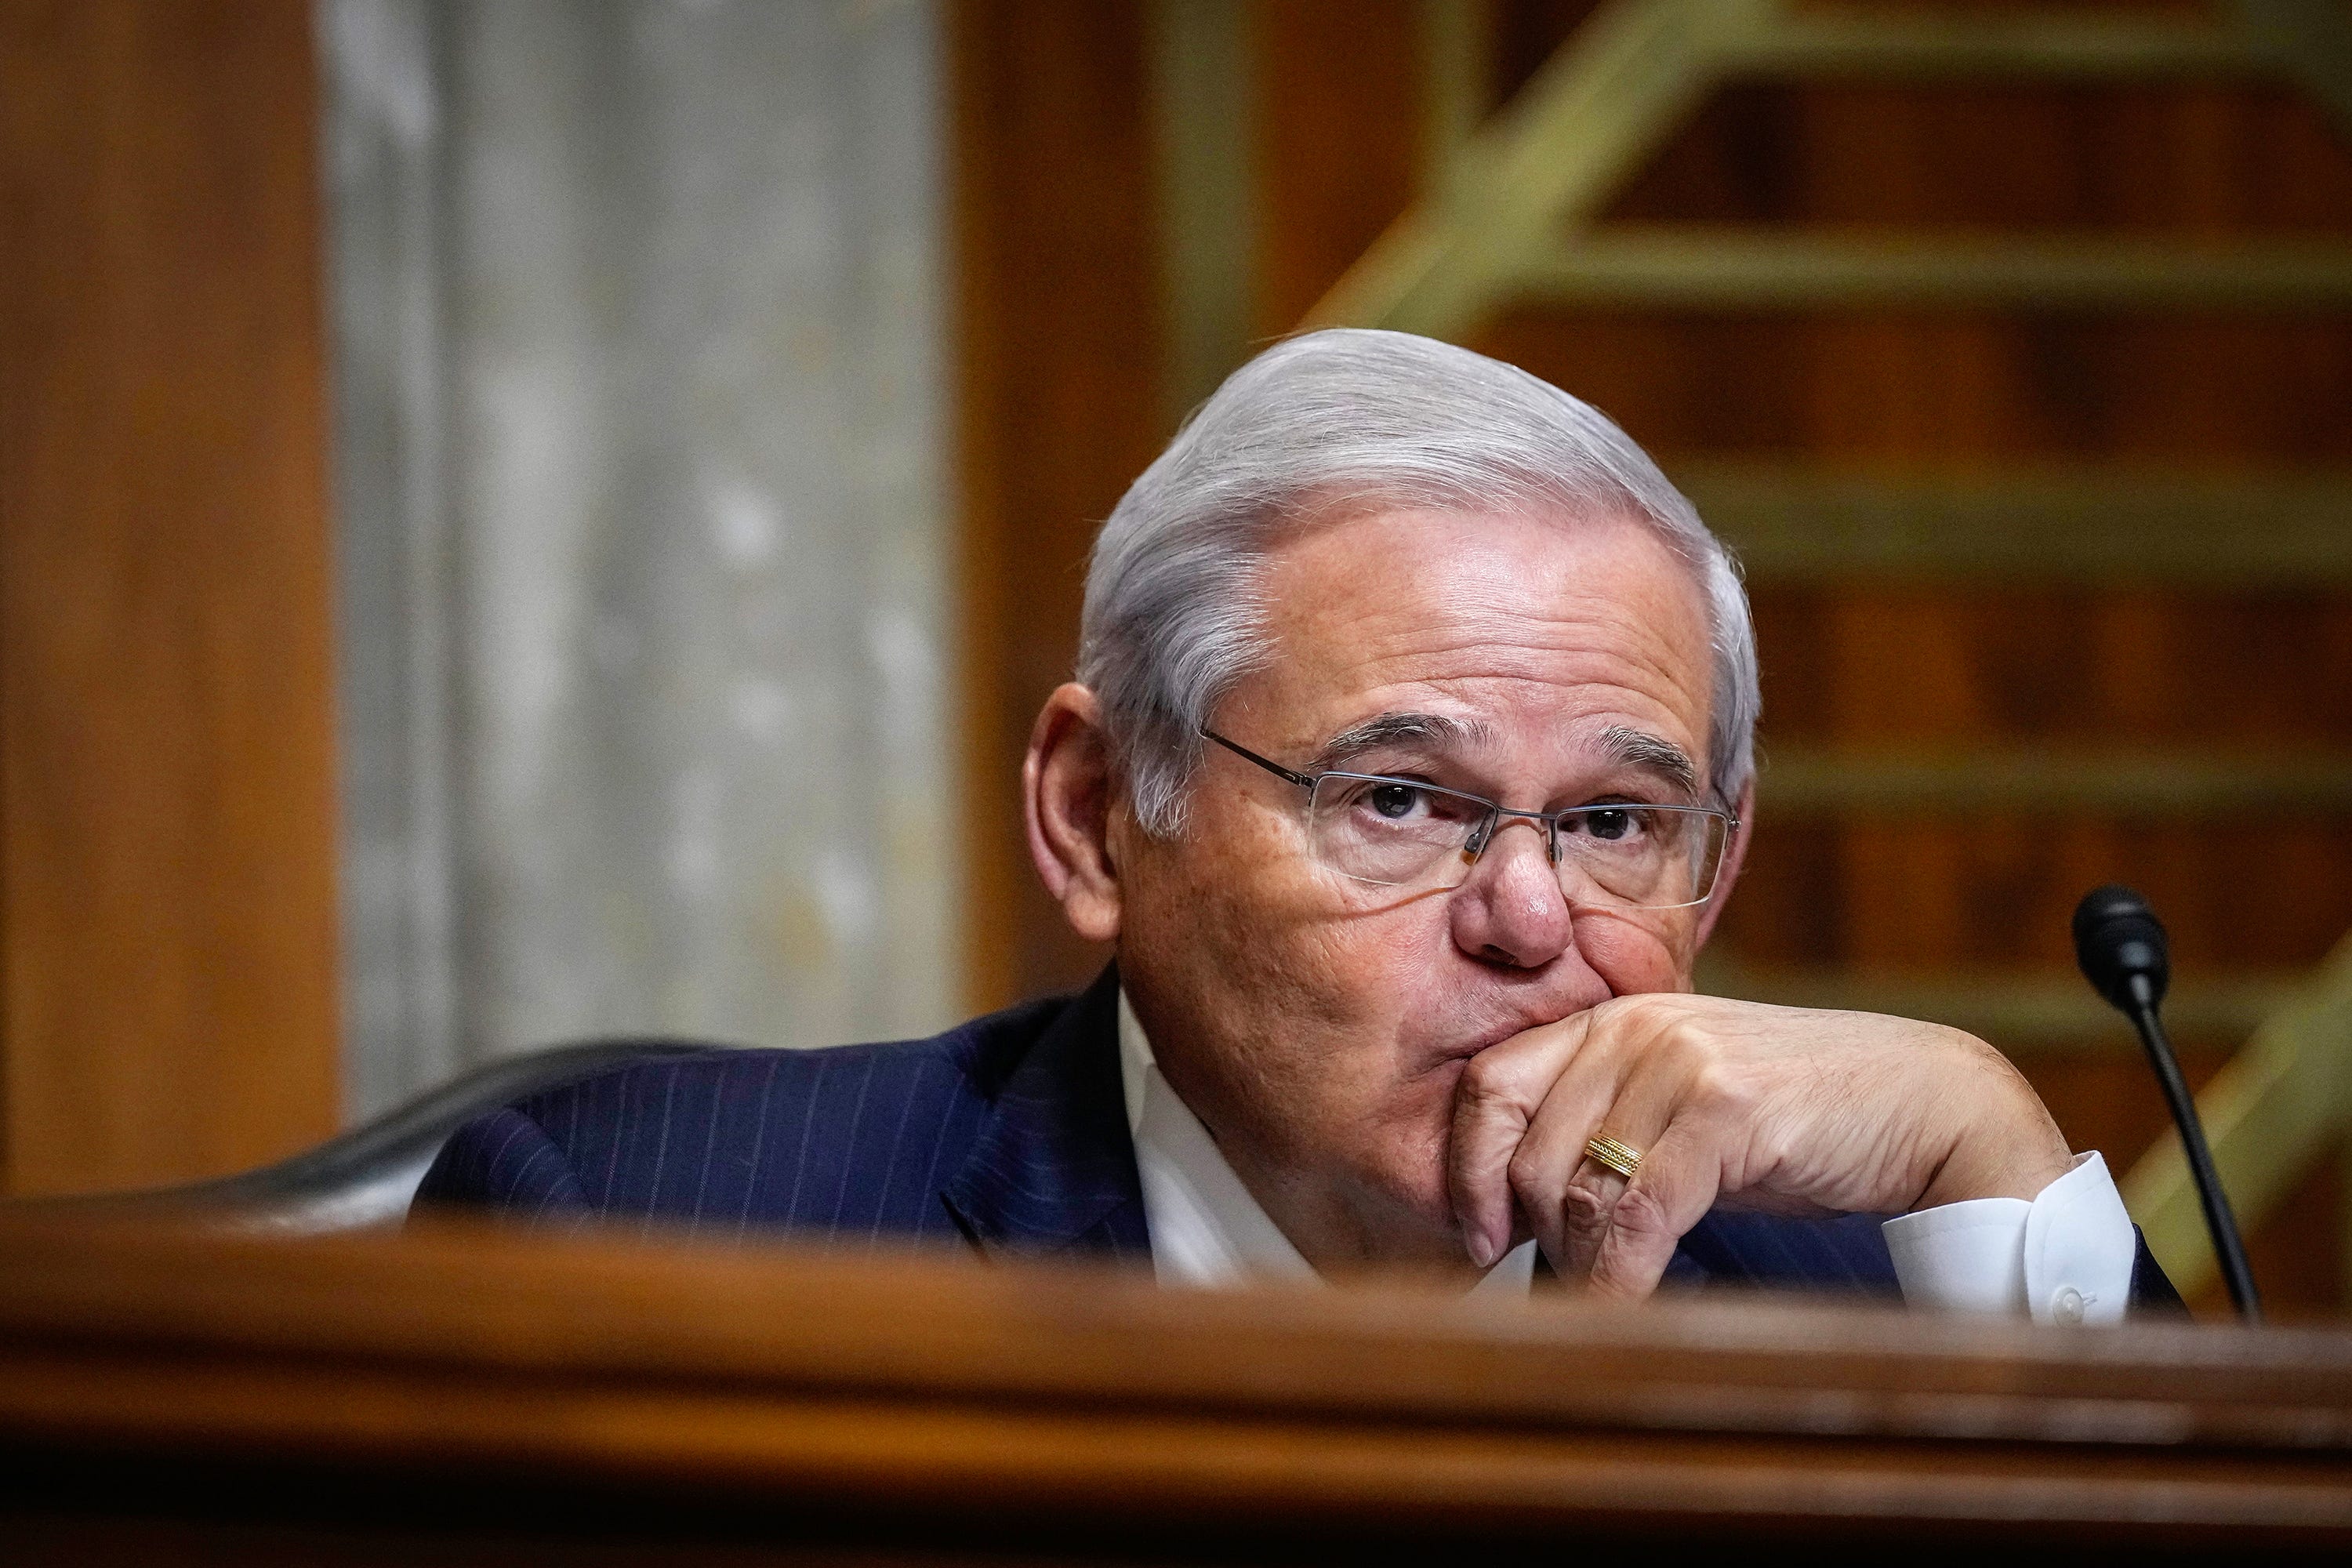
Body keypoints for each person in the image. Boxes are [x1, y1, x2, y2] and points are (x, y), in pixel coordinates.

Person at [417, 329, 2176, 1320]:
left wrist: (1995, 1150)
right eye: (1400, 798)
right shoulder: (657, 1244)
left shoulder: (1894, 1279)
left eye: (1620, 822)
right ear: (1100, 817)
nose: (1530, 918)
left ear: (1718, 861)